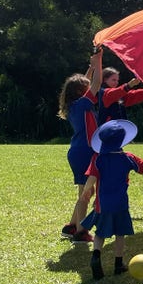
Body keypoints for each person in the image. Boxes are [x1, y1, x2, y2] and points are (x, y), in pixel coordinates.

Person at [82, 119, 143, 280]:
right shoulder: (128, 158)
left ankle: (96, 256)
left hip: (103, 204)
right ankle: (118, 264)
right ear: (122, 140)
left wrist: (86, 192)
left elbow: (91, 179)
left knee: (100, 233)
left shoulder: (98, 159)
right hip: (120, 204)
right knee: (120, 234)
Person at [57, 47, 102, 243]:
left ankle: (71, 226)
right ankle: (81, 233)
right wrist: (99, 61)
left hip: (78, 151)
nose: (90, 85)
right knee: (86, 192)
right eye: (86, 85)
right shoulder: (83, 104)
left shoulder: (75, 104)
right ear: (80, 92)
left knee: (85, 191)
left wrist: (91, 68)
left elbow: (87, 81)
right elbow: (98, 83)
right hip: (84, 152)